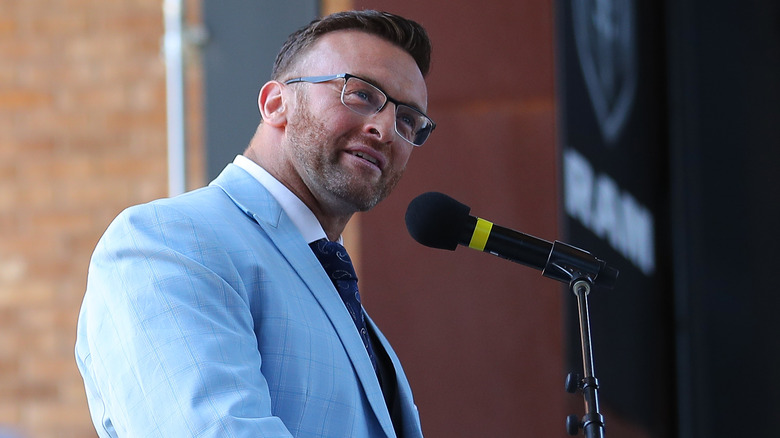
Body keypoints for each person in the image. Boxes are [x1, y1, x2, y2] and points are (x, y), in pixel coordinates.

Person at [74, 9, 435, 438]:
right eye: (360, 95)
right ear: (276, 104)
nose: (386, 128)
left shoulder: (333, 287)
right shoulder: (167, 242)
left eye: (408, 119)